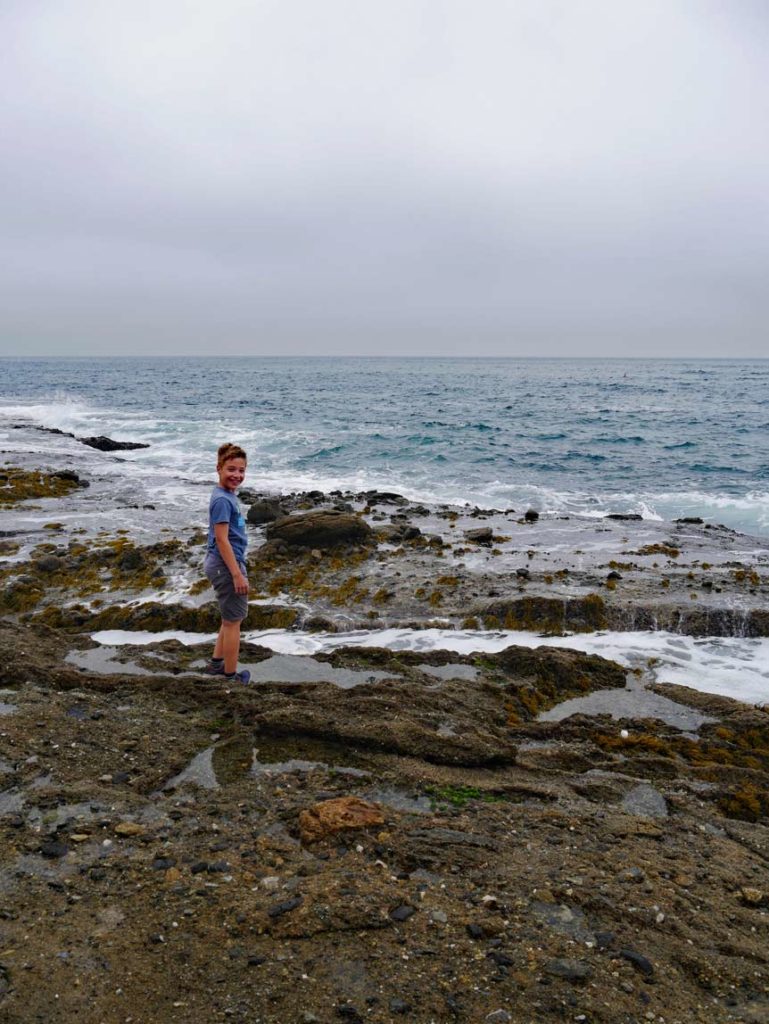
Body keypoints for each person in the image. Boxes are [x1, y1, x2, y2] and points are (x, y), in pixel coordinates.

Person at [203, 442, 251, 684]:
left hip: (220, 563)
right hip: (225, 565)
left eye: (241, 470)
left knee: (228, 618)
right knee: (234, 623)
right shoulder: (222, 500)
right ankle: (231, 676)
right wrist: (236, 574)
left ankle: (216, 664)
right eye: (231, 469)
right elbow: (222, 540)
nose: (237, 475)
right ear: (219, 468)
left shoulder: (226, 495)